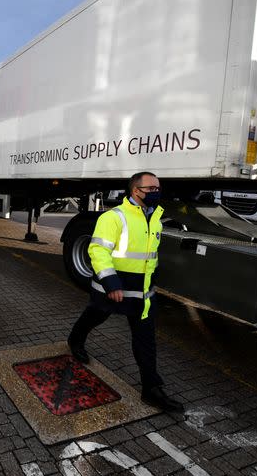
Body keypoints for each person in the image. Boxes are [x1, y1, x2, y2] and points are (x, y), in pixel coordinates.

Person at [67, 171, 184, 413]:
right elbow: (98, 251)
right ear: (135, 191)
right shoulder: (114, 217)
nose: (156, 192)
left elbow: (149, 257)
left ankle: (151, 389)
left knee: (145, 338)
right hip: (113, 288)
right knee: (95, 315)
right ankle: (75, 339)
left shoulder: (157, 219)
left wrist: (151, 284)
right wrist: (111, 283)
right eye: (151, 188)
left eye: (158, 188)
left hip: (141, 293)